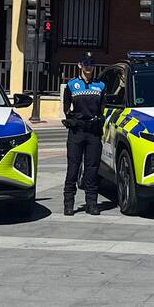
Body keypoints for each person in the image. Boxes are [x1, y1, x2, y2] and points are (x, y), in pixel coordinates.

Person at [61, 54, 105, 216]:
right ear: (79, 65)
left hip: (93, 133)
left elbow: (102, 109)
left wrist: (99, 120)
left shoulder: (100, 86)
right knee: (73, 167)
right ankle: (68, 203)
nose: (88, 67)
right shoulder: (72, 85)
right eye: (85, 63)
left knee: (92, 169)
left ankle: (91, 203)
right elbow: (66, 108)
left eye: (91, 64)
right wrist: (72, 120)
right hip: (77, 132)